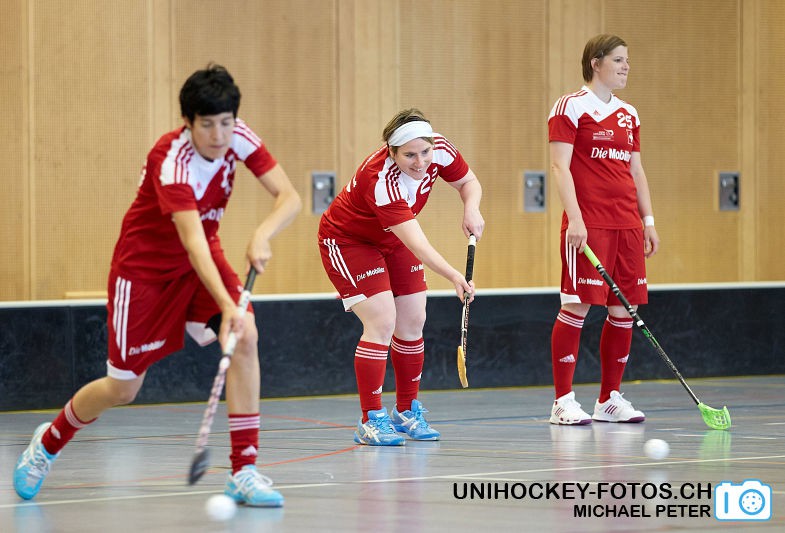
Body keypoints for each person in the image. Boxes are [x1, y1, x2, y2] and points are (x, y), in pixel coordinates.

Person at [13, 65, 302, 506]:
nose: (220, 135)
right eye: (207, 125)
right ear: (188, 123)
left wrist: (263, 233)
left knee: (247, 336)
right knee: (122, 388)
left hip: (201, 260)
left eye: (226, 122)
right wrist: (227, 304)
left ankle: (244, 470)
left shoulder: (237, 134)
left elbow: (290, 196)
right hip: (144, 273)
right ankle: (48, 442)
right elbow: (191, 242)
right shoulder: (171, 160)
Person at [318, 108, 484, 446]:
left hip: (394, 239)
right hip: (349, 241)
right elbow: (419, 244)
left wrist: (471, 207)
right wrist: (454, 275)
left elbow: (468, 181)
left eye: (425, 152)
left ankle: (407, 410)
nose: (420, 162)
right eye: (409, 155)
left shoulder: (441, 151)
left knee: (413, 319)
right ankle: (371, 419)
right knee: (381, 320)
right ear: (391, 152)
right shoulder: (380, 180)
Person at [547, 34, 660, 425]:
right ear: (595, 63)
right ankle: (562, 401)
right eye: (618, 60)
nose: (626, 66)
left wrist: (647, 221)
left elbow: (636, 169)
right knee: (576, 306)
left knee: (623, 311)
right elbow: (560, 167)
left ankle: (609, 398)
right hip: (588, 224)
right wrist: (575, 218)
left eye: (627, 60)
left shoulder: (630, 114)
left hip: (626, 224)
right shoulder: (570, 107)